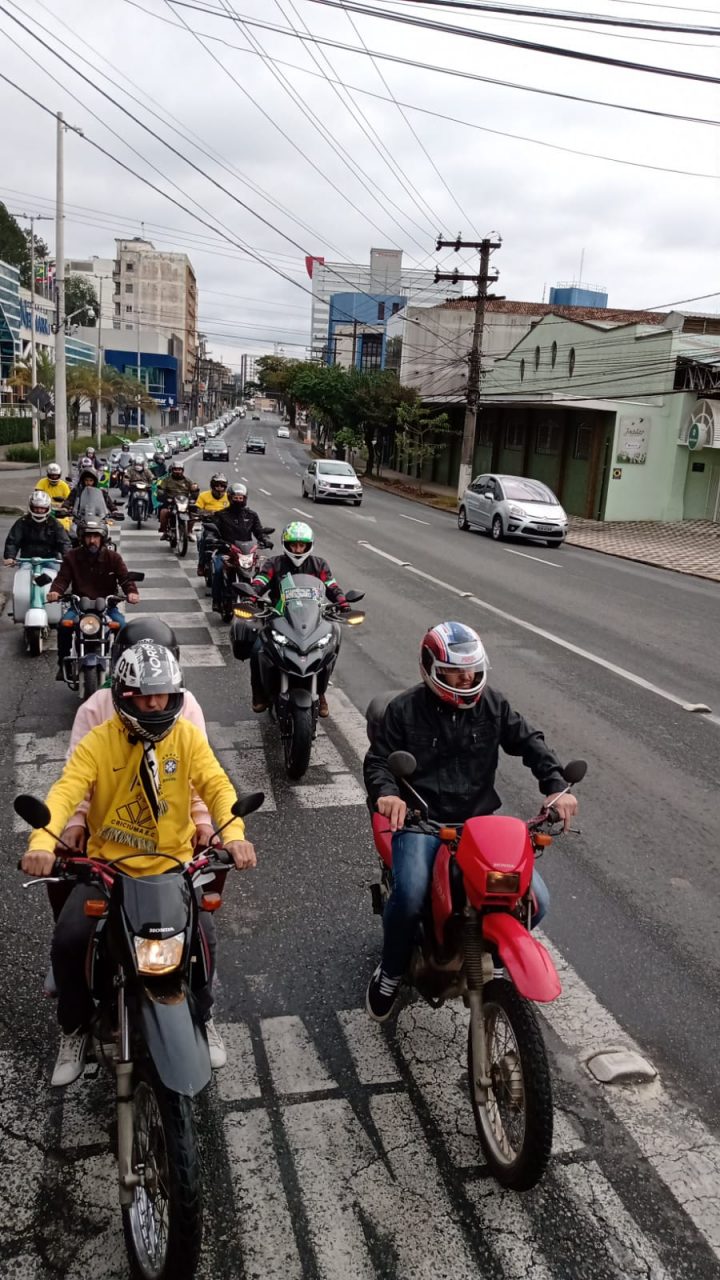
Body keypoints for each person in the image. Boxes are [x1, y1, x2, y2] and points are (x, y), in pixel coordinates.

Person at [20, 641, 257, 1086]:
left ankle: (202, 1018)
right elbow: (65, 792)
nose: (154, 704)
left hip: (173, 871)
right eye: (144, 695)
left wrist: (235, 835)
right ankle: (73, 1027)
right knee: (70, 939)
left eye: (164, 695)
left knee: (202, 944)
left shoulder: (185, 737)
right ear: (122, 695)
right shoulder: (98, 742)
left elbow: (218, 787)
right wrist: (42, 842)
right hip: (109, 872)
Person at [363, 621, 579, 1022]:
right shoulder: (405, 709)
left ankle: (492, 955)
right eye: (454, 671)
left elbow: (529, 741)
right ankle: (390, 971)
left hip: (478, 824)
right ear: (431, 668)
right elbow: (379, 760)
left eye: (472, 670)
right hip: (422, 822)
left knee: (537, 900)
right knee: (409, 893)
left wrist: (554, 786)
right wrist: (388, 794)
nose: (466, 678)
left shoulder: (492, 705)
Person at [248, 520, 349, 717]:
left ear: (309, 545)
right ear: (286, 545)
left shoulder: (319, 564)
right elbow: (260, 581)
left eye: (301, 545)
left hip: (313, 620)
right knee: (257, 649)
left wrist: (343, 602)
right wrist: (251, 595)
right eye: (293, 544)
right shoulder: (274, 563)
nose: (297, 549)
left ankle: (320, 693)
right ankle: (259, 693)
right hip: (279, 618)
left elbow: (332, 586)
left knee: (333, 640)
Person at [47, 519, 140, 680]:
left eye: (96, 536)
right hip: (79, 605)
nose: (92, 540)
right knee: (64, 626)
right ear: (82, 538)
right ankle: (64, 664)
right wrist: (55, 591)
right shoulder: (72, 557)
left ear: (102, 538)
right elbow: (62, 579)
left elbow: (125, 579)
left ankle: (121, 667)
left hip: (106, 606)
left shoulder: (113, 558)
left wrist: (131, 592)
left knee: (123, 627)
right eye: (88, 536)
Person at [210, 483, 270, 610]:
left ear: (245, 498)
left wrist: (264, 539)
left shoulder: (251, 515)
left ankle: (258, 600)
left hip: (246, 553)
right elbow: (213, 532)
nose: (238, 500)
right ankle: (216, 600)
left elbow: (258, 531)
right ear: (230, 498)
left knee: (260, 573)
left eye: (240, 498)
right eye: (236, 498)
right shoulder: (221, 515)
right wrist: (216, 540)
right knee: (219, 570)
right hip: (226, 551)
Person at [3, 490, 71, 565]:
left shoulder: (55, 523)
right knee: (21, 576)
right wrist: (10, 557)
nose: (39, 510)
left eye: (42, 508)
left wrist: (68, 557)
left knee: (56, 576)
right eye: (36, 508)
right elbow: (13, 541)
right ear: (31, 507)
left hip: (50, 560)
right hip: (27, 560)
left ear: (48, 507)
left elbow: (64, 542)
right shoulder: (22, 522)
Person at [195, 473, 228, 575]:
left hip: (226, 526)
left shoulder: (229, 497)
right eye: (217, 485)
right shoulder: (204, 495)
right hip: (209, 525)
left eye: (222, 486)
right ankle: (201, 565)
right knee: (204, 541)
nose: (219, 488)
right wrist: (208, 513)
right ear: (212, 486)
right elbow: (198, 509)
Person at [156, 460, 193, 540]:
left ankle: (189, 532)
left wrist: (195, 491)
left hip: (184, 502)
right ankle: (165, 532)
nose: (177, 471)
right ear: (172, 470)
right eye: (175, 469)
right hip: (171, 501)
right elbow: (161, 489)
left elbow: (193, 490)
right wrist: (161, 493)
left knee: (193, 514)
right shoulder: (167, 480)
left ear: (182, 470)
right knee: (163, 512)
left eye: (179, 469)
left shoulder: (187, 481)